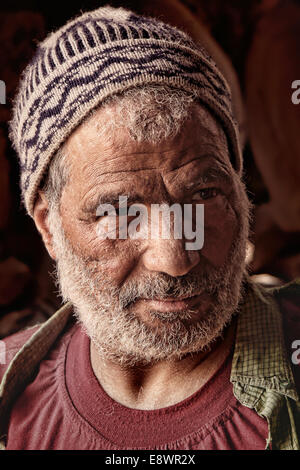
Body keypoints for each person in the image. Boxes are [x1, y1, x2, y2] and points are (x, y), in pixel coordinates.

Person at [0, 5, 299, 450]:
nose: (175, 258)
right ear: (48, 226)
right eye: (119, 212)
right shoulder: (10, 391)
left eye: (205, 194)